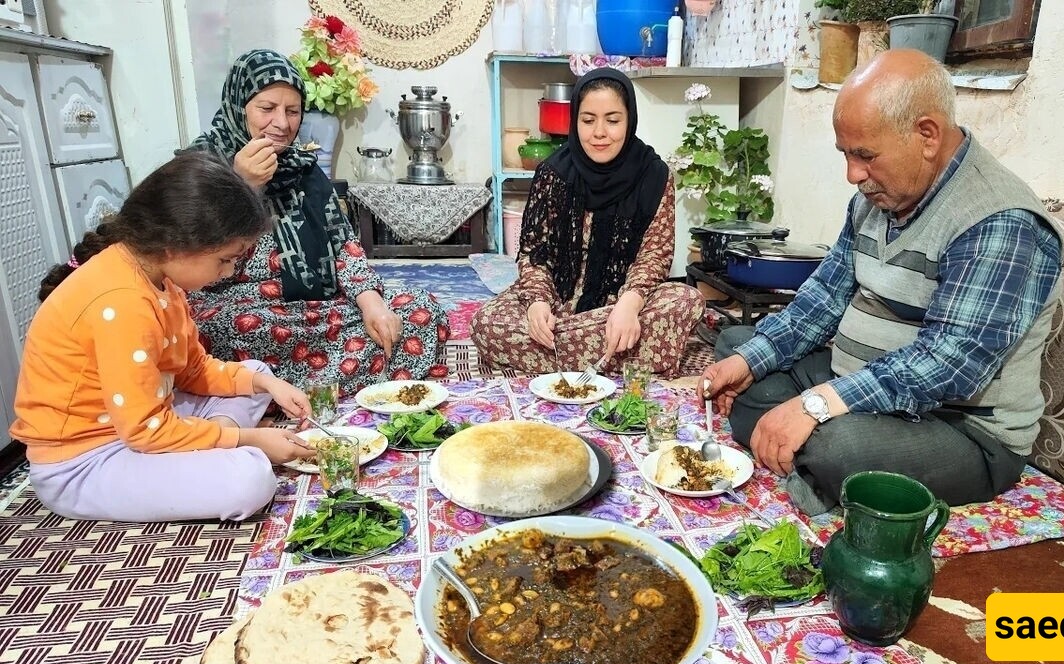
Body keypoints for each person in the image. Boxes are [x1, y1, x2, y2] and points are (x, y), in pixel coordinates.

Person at [701, 49, 1063, 514]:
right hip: (854, 379)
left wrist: (815, 408)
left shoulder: (1000, 220)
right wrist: (753, 360)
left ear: (927, 135)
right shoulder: (878, 197)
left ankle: (819, 470)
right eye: (846, 154)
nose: (853, 175)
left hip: (958, 427)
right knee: (737, 349)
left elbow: (948, 365)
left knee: (836, 446)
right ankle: (816, 473)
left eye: (865, 155)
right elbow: (825, 297)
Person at [10, 152, 317, 523]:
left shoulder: (160, 279)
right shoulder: (122, 302)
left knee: (254, 375)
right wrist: (250, 441)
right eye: (224, 259)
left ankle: (205, 439)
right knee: (249, 478)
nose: (230, 270)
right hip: (84, 463)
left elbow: (192, 370)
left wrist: (266, 382)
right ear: (176, 245)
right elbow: (143, 429)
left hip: (141, 422)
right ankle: (212, 442)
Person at [188, 49, 448, 394]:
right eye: (267, 108)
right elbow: (188, 254)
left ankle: (283, 391)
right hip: (244, 310)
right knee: (226, 329)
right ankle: (292, 388)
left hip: (318, 308)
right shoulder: (199, 166)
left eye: (292, 111)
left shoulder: (303, 168)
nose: (282, 123)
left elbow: (343, 245)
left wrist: (373, 305)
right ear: (239, 106)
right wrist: (241, 185)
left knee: (419, 311)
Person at [471, 67, 704, 376]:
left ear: (629, 120)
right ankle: (620, 354)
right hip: (560, 296)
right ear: (574, 121)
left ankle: (566, 351)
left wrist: (630, 305)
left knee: (686, 300)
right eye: (588, 120)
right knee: (487, 322)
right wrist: (538, 303)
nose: (599, 133)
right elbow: (534, 253)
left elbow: (654, 254)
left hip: (622, 299)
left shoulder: (654, 175)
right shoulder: (553, 174)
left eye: (612, 120)